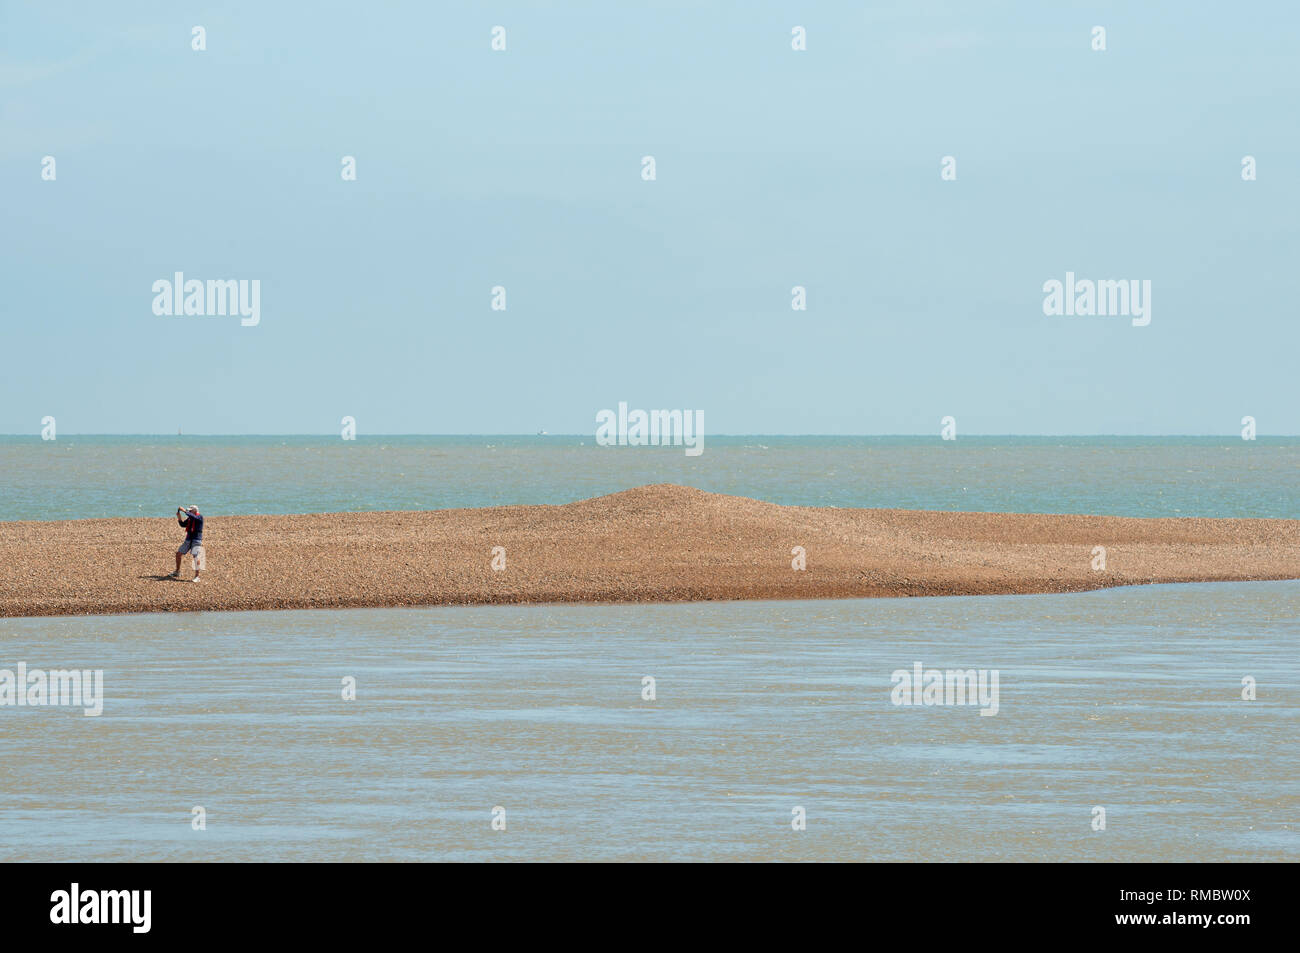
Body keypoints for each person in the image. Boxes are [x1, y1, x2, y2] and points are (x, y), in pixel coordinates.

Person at [170, 505, 205, 582]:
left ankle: (197, 576)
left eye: (190, 510)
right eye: (188, 511)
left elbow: (194, 517)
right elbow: (183, 525)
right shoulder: (190, 518)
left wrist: (184, 511)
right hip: (188, 539)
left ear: (195, 511)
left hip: (196, 539)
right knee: (178, 554)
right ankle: (177, 571)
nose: (189, 512)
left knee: (196, 557)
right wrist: (179, 517)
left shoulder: (200, 517)